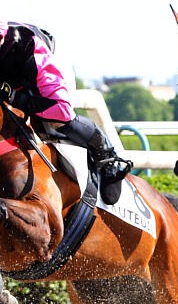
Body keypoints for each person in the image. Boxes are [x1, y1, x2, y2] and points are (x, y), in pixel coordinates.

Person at [0, 21, 132, 205]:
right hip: (14, 73)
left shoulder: (29, 48)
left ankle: (106, 156)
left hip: (46, 67)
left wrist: (15, 98)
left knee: (55, 122)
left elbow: (59, 108)